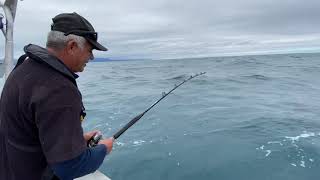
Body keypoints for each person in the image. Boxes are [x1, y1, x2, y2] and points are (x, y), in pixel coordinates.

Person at [0, 12, 114, 180]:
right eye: (90, 50)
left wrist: (75, 141)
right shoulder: (60, 90)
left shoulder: (24, 68)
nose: (91, 57)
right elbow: (70, 167)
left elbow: (29, 129)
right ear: (72, 46)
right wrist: (104, 148)